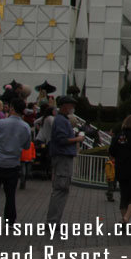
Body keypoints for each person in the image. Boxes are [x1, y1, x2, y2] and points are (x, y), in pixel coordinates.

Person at [0, 98, 31, 227]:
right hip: (13, 163)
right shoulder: (25, 127)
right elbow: (26, 146)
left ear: (12, 108)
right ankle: (10, 220)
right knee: (10, 195)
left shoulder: (0, 123)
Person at [45, 96, 84, 224]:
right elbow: (62, 140)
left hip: (62, 157)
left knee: (61, 189)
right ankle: (53, 221)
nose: (72, 108)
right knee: (61, 189)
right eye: (71, 105)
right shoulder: (61, 120)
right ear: (64, 106)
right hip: (63, 157)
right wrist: (77, 139)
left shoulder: (61, 119)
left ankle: (54, 220)